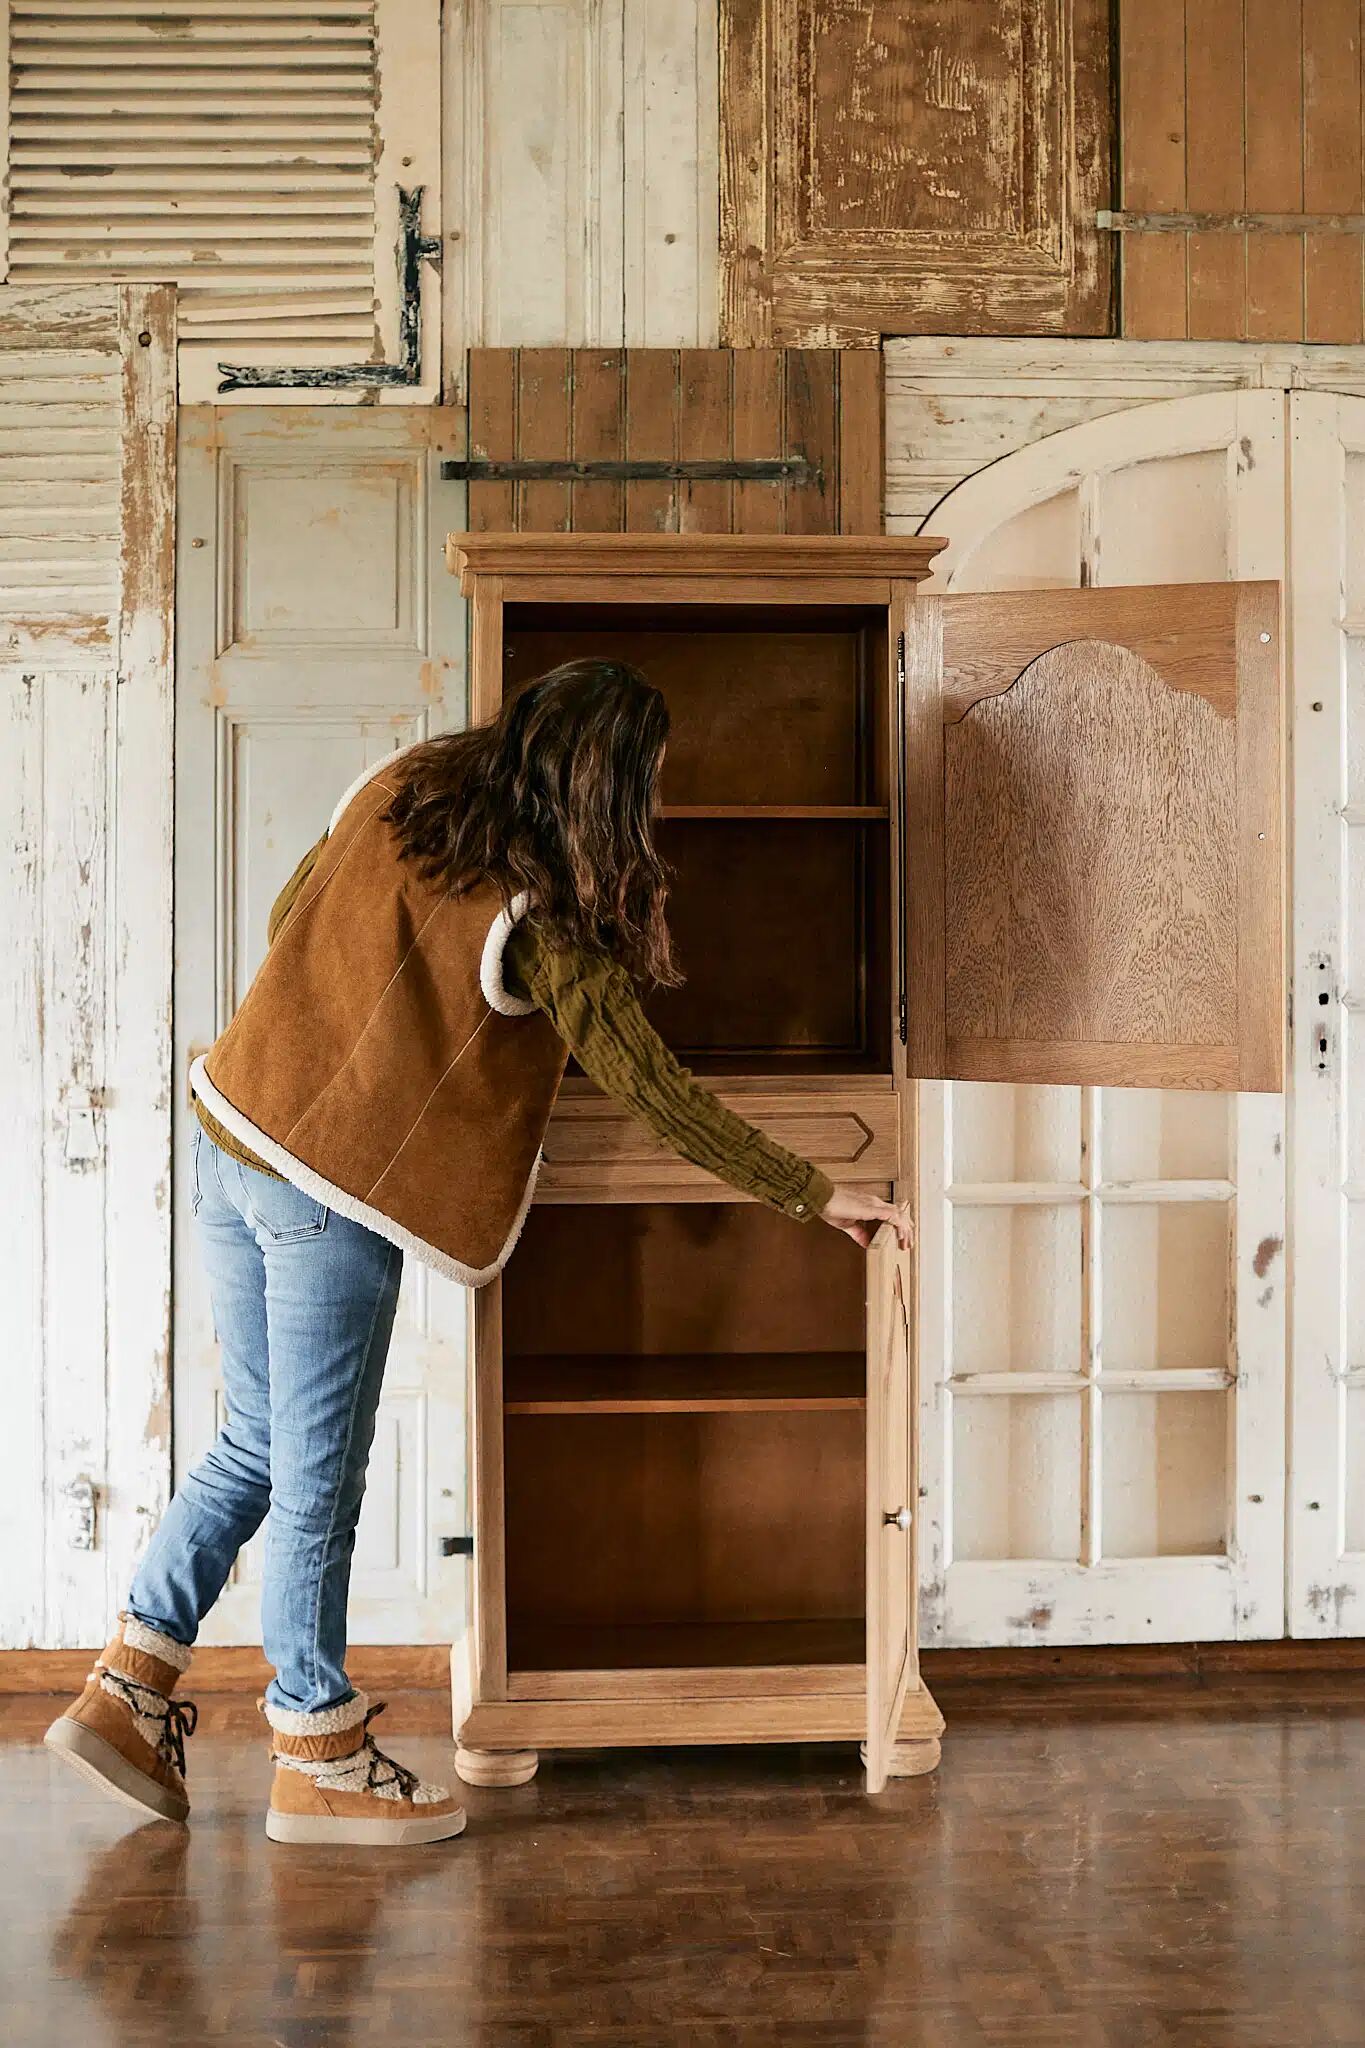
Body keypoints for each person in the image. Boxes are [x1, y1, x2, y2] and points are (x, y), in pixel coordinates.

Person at [46, 659, 913, 1848]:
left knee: (255, 1442)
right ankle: (316, 1750)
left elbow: (293, 913)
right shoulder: (538, 916)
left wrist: (372, 1029)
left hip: (231, 1128)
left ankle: (127, 1689)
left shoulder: (401, 788)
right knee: (318, 1480)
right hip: (324, 1193)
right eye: (649, 783)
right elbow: (656, 1090)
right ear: (607, 785)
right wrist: (815, 1192)